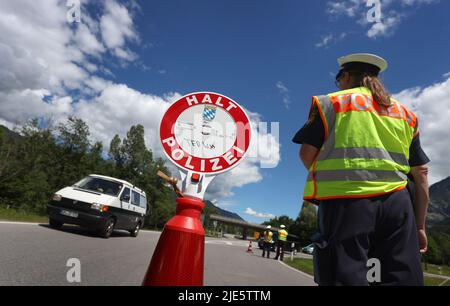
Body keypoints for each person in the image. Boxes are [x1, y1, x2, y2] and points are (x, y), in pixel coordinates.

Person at [292, 53, 430, 286]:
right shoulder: (406, 115)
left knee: (345, 274)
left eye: (339, 80)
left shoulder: (331, 102)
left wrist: (331, 175)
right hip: (398, 203)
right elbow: (421, 174)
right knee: (400, 275)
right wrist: (419, 225)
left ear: (346, 76)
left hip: (346, 200)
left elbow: (306, 153)